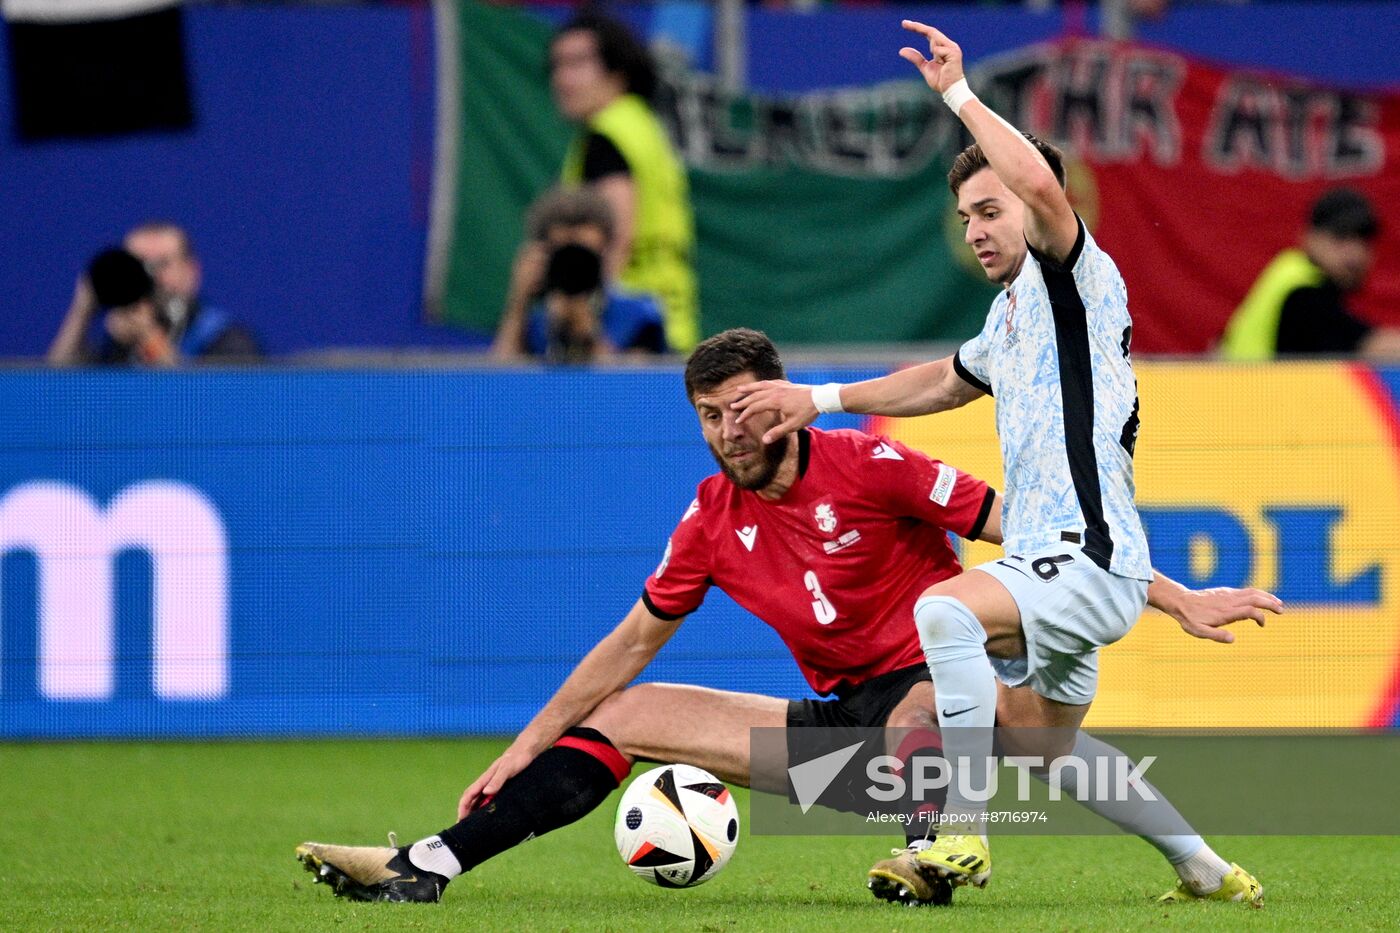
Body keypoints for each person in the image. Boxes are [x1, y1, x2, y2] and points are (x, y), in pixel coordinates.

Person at [295, 329, 1276, 907]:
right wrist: (523, 746)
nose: (732, 430)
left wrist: (1174, 596)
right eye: (710, 416)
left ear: (783, 402)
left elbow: (1051, 531)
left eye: (745, 407)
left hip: (942, 709)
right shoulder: (709, 520)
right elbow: (627, 642)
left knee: (967, 710)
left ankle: (946, 853)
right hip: (844, 731)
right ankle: (424, 867)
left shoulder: (870, 465)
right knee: (631, 710)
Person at [730, 20, 1263, 902]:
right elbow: (941, 381)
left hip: (1081, 560)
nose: (976, 229)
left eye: (991, 210)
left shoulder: (1073, 274)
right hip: (1072, 561)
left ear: (1034, 203)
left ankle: (960, 828)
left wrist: (960, 97)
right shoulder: (1014, 314)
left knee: (944, 610)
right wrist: (818, 401)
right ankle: (1206, 869)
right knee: (1043, 739)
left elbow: (1038, 185)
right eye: (966, 216)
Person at [493, 12, 698, 358]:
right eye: (556, 66)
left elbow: (618, 234)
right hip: (671, 324)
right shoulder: (643, 127)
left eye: (577, 64)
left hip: (628, 334)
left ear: (618, 72)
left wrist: (583, 307)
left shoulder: (608, 135)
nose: (561, 78)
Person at [1220, 188, 1399, 360]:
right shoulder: (1301, 292)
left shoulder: (1288, 271)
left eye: (1364, 241)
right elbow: (1375, 346)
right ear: (1309, 237)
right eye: (1340, 237)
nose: (1355, 253)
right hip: (1254, 390)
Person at [48, 221, 260, 365]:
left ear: (191, 272)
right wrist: (82, 311)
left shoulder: (225, 338)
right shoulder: (116, 338)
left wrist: (149, 339)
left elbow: (209, 413)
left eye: (161, 264)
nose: (150, 278)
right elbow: (51, 394)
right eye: (137, 265)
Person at [494, 188, 668, 362]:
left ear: (605, 252)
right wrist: (519, 301)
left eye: (583, 257)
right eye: (563, 256)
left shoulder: (639, 316)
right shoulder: (534, 323)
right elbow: (497, 382)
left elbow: (635, 384)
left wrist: (587, 333)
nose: (573, 267)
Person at [47, 248, 177, 367]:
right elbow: (52, 384)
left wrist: (148, 334)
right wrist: (81, 311)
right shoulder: (107, 342)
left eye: (160, 264)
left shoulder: (194, 327)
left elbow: (184, 388)